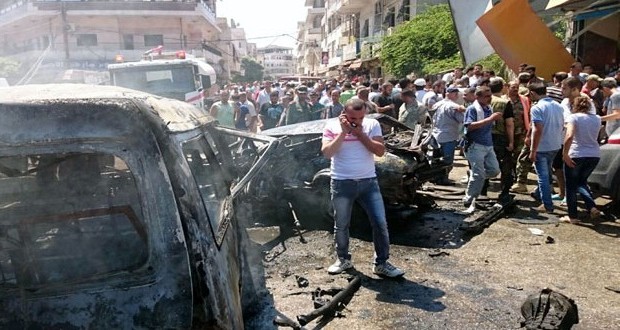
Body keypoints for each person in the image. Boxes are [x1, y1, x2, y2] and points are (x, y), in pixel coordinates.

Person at [321, 98, 404, 278]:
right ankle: (343, 259)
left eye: (360, 118)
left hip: (368, 182)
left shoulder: (372, 124)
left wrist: (360, 134)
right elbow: (327, 153)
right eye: (352, 118)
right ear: (343, 114)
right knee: (341, 224)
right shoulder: (332, 125)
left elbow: (380, 151)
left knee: (380, 223)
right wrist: (343, 133)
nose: (356, 122)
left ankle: (381, 263)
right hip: (341, 182)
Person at [560, 96, 601, 224]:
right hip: (594, 154)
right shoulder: (597, 119)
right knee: (581, 182)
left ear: (575, 106)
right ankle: (591, 206)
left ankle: (573, 216)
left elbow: (570, 135)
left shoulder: (574, 117)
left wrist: (565, 153)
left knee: (571, 186)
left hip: (577, 153)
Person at [528, 82, 565, 213]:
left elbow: (537, 130)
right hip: (555, 144)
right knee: (547, 172)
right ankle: (539, 194)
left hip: (542, 147)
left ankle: (547, 205)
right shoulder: (558, 106)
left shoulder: (537, 108)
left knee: (542, 176)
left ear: (532, 93)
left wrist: (533, 150)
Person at [462, 86, 502, 208]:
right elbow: (469, 126)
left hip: (488, 144)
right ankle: (469, 199)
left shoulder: (488, 108)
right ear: (477, 97)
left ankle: (474, 177)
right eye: (486, 96)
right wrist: (490, 119)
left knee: (494, 170)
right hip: (475, 145)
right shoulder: (473, 109)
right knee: (478, 174)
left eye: (490, 95)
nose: (489, 98)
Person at [431, 87, 465, 185]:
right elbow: (462, 120)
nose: (457, 96)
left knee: (436, 158)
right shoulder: (453, 106)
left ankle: (436, 177)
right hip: (448, 136)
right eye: (456, 94)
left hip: (435, 134)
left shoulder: (437, 104)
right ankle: (444, 179)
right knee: (447, 159)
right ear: (451, 94)